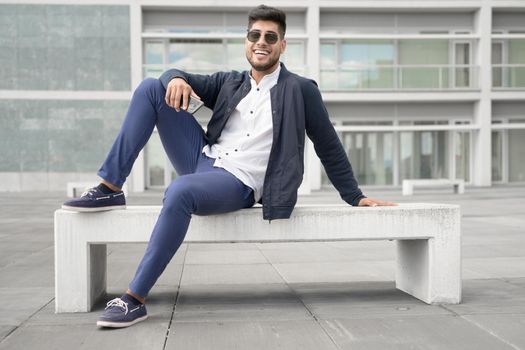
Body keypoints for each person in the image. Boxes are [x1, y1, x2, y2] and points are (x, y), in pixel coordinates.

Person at [62, 4, 396, 328]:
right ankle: (110, 188)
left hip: (239, 182)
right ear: (246, 42)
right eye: (255, 35)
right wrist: (176, 77)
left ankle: (134, 298)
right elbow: (171, 78)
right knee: (152, 87)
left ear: (282, 44)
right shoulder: (230, 82)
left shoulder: (300, 90)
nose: (261, 42)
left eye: (269, 36)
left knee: (179, 191)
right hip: (203, 159)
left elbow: (327, 144)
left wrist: (354, 196)